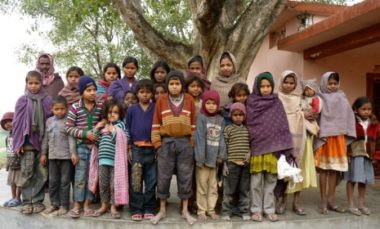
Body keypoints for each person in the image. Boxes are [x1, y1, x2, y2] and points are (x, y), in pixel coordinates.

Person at [150, 70, 196, 225]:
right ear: (167, 85)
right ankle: (162, 209)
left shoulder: (189, 99)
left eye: (177, 84)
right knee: (163, 176)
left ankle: (185, 210)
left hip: (184, 143)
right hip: (166, 143)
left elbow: (194, 124)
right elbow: (156, 124)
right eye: (171, 83)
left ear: (182, 85)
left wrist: (191, 143)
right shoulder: (161, 100)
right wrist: (157, 145)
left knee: (186, 176)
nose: (174, 87)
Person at [246, 72, 294, 222]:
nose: (266, 89)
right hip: (257, 148)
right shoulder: (251, 101)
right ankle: (255, 210)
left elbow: (281, 124)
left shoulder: (276, 102)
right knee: (255, 182)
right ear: (256, 86)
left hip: (273, 150)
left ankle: (269, 209)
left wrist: (283, 146)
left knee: (271, 181)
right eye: (262, 86)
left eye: (268, 86)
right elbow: (249, 124)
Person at [314, 72, 356, 214]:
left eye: (335, 83)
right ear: (324, 83)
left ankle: (331, 201)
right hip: (324, 138)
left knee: (334, 171)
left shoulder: (342, 97)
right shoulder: (319, 96)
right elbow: (315, 115)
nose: (332, 86)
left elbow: (349, 116)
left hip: (338, 139)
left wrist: (347, 134)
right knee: (324, 171)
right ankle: (323, 203)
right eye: (329, 83)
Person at [13, 71, 52, 214]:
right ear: (26, 83)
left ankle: (37, 201)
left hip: (43, 143)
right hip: (27, 143)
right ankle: (27, 201)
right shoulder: (22, 101)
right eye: (31, 83)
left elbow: (50, 121)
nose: (34, 86)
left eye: (37, 83)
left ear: (42, 84)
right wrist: (18, 143)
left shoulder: (48, 100)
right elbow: (17, 123)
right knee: (27, 172)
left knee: (41, 173)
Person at [65, 76, 105, 218]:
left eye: (94, 90)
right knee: (80, 176)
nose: (93, 93)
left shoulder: (100, 107)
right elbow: (68, 128)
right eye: (89, 90)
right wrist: (85, 134)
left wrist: (97, 131)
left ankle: (87, 204)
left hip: (95, 148)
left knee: (92, 176)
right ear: (82, 92)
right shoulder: (75, 107)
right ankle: (77, 204)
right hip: (81, 147)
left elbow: (103, 123)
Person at [277, 70, 312, 215]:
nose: (288, 85)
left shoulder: (300, 99)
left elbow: (310, 113)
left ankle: (296, 203)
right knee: (285, 171)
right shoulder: (276, 98)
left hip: (299, 138)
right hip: (282, 139)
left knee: (298, 170)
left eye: (292, 83)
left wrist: (303, 114)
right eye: (286, 82)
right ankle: (282, 202)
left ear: (295, 84)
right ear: (281, 82)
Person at [91, 99, 129, 219]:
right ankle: (104, 205)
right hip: (102, 161)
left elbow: (124, 140)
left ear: (120, 114)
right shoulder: (104, 126)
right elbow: (95, 140)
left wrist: (114, 132)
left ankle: (113, 206)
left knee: (114, 185)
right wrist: (97, 128)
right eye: (110, 112)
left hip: (115, 162)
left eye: (116, 112)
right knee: (103, 184)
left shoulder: (121, 125)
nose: (112, 114)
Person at [127, 79, 157, 221]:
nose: (145, 95)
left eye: (148, 92)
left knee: (151, 180)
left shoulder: (156, 108)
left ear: (152, 93)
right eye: (141, 92)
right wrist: (129, 147)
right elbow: (127, 128)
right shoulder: (132, 109)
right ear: (137, 93)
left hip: (152, 149)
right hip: (137, 148)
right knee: (136, 180)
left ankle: (150, 207)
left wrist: (158, 146)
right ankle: (136, 208)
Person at [194, 90, 226, 220]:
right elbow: (199, 138)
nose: (211, 106)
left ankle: (211, 209)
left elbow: (222, 139)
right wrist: (200, 159)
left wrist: (221, 156)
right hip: (203, 160)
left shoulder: (221, 120)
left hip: (215, 161)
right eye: (208, 103)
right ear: (204, 104)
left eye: (214, 103)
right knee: (201, 186)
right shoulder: (201, 118)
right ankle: (201, 210)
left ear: (218, 104)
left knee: (213, 187)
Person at [40, 96, 74, 216]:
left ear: (67, 108)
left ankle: (64, 205)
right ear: (52, 109)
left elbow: (71, 138)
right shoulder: (49, 121)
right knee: (53, 181)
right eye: (56, 109)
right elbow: (45, 139)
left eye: (62, 109)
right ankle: (54, 204)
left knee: (65, 181)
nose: (60, 111)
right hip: (52, 157)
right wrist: (43, 153)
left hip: (66, 157)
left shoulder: (69, 121)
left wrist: (73, 153)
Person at [344, 97, 377, 216]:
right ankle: (351, 205)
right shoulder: (352, 121)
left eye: (369, 109)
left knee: (364, 181)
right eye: (363, 109)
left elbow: (376, 140)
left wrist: (375, 155)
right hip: (355, 154)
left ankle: (361, 205)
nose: (367, 111)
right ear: (356, 109)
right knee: (352, 179)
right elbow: (346, 138)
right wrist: (347, 153)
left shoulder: (373, 123)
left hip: (367, 155)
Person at [221, 102, 251, 221]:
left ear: (244, 116)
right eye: (235, 115)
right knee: (229, 190)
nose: (238, 117)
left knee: (244, 190)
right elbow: (224, 147)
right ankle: (226, 211)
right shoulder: (228, 129)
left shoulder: (248, 129)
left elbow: (251, 145)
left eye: (240, 114)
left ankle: (243, 211)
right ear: (231, 116)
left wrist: (250, 153)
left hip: (245, 165)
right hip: (231, 164)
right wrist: (224, 164)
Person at [1, 112, 21, 208]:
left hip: (19, 164)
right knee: (12, 182)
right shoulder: (7, 137)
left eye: (10, 121)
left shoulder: (19, 135)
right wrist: (8, 165)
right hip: (12, 163)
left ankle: (18, 198)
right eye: (6, 122)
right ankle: (13, 197)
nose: (8, 124)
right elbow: (8, 152)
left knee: (19, 182)